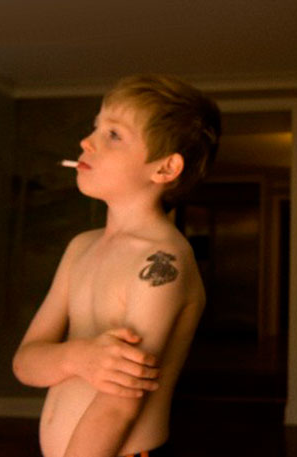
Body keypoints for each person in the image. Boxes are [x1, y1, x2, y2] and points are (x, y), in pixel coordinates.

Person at [12, 74, 220, 457]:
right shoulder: (81, 247)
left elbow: (117, 407)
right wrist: (79, 357)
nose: (86, 142)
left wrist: (74, 359)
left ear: (165, 168)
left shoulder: (163, 262)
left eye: (113, 135)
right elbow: (25, 363)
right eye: (96, 127)